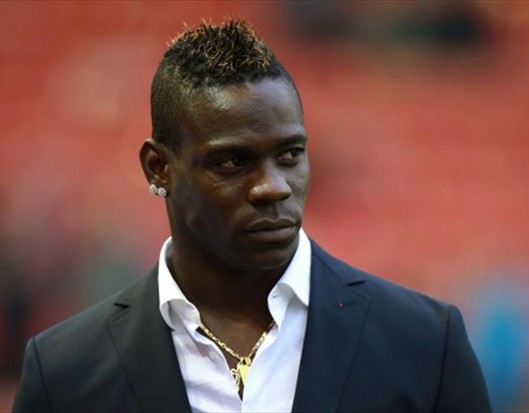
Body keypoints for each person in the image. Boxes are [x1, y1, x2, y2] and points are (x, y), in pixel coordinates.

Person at [13, 19, 491, 412]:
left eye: (289, 155)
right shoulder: (64, 373)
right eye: (234, 162)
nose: (273, 187)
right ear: (159, 167)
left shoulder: (427, 345)